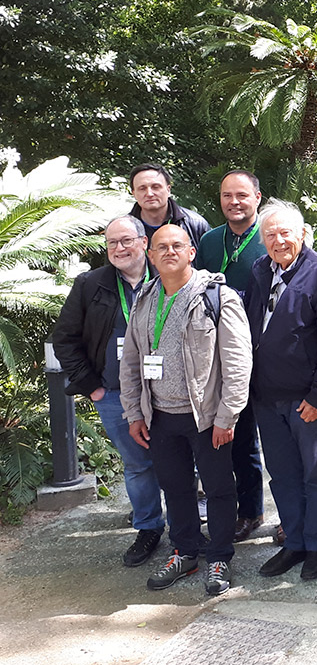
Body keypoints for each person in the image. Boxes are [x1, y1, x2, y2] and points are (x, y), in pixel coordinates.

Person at [119, 225, 251, 596]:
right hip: (159, 417)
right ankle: (185, 552)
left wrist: (227, 416)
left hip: (206, 417)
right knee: (175, 489)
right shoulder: (145, 298)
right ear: (150, 254)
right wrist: (134, 413)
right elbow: (131, 361)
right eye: (161, 246)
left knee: (219, 488)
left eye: (177, 245)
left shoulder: (216, 296)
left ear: (191, 252)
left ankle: (220, 557)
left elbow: (239, 362)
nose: (170, 251)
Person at [246, 202, 317, 582]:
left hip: (307, 400)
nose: (278, 240)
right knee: (283, 475)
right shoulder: (260, 271)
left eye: (285, 232)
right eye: (270, 234)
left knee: (314, 475)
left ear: (303, 234)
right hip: (265, 397)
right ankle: (295, 540)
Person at [52, 215, 165, 567]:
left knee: (181, 463)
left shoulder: (168, 275)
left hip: (169, 393)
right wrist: (92, 387)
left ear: (143, 243)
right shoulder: (91, 284)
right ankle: (148, 528)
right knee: (137, 465)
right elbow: (65, 338)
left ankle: (186, 529)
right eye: (112, 243)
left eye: (126, 241)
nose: (119, 248)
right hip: (116, 395)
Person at [193, 169, 267, 543]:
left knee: (268, 438)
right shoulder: (209, 241)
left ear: (257, 197)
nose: (234, 202)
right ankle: (247, 511)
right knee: (233, 439)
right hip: (216, 356)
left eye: (241, 195)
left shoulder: (270, 238)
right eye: (227, 196)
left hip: (262, 353)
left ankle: (279, 514)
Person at [127, 163, 210, 248]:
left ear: (168, 190)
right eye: (142, 188)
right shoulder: (124, 229)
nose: (149, 194)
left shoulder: (196, 225)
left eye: (155, 187)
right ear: (134, 193)